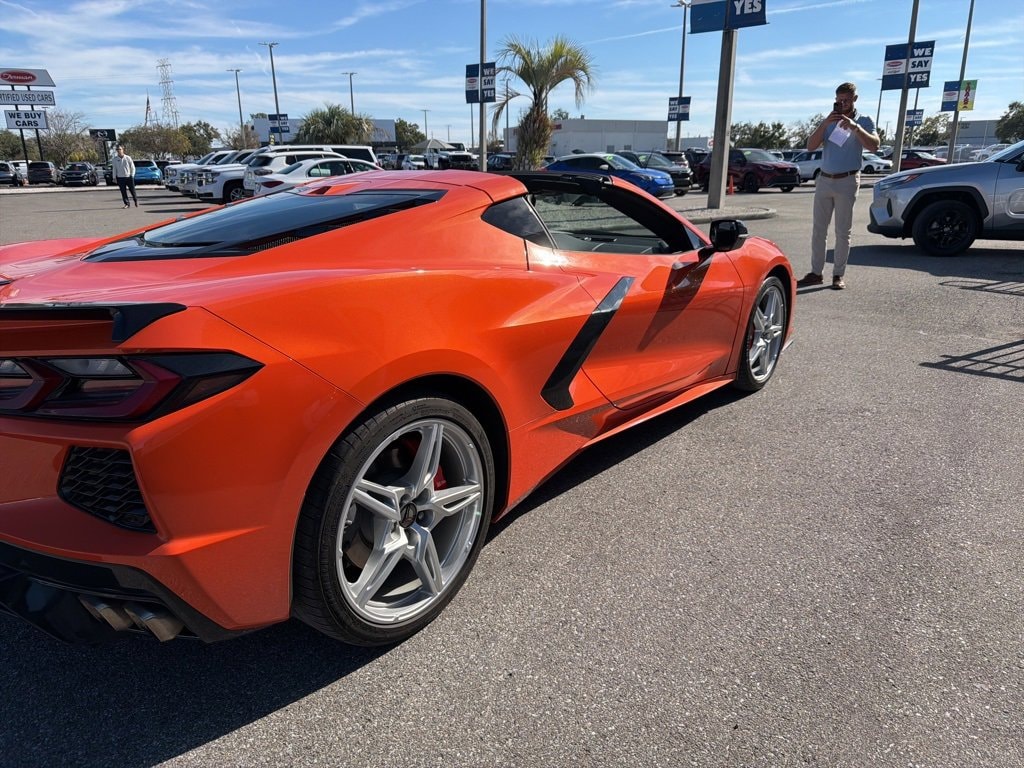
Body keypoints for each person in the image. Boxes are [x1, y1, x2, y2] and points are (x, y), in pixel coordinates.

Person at [798, 82, 879, 290]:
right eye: (839, 100)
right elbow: (810, 146)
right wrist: (825, 124)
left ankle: (838, 274)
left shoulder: (864, 120)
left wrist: (855, 127)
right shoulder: (829, 121)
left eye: (846, 100)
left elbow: (874, 145)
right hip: (825, 179)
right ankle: (816, 273)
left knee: (843, 231)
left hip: (848, 180)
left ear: (855, 99)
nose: (842, 104)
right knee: (818, 230)